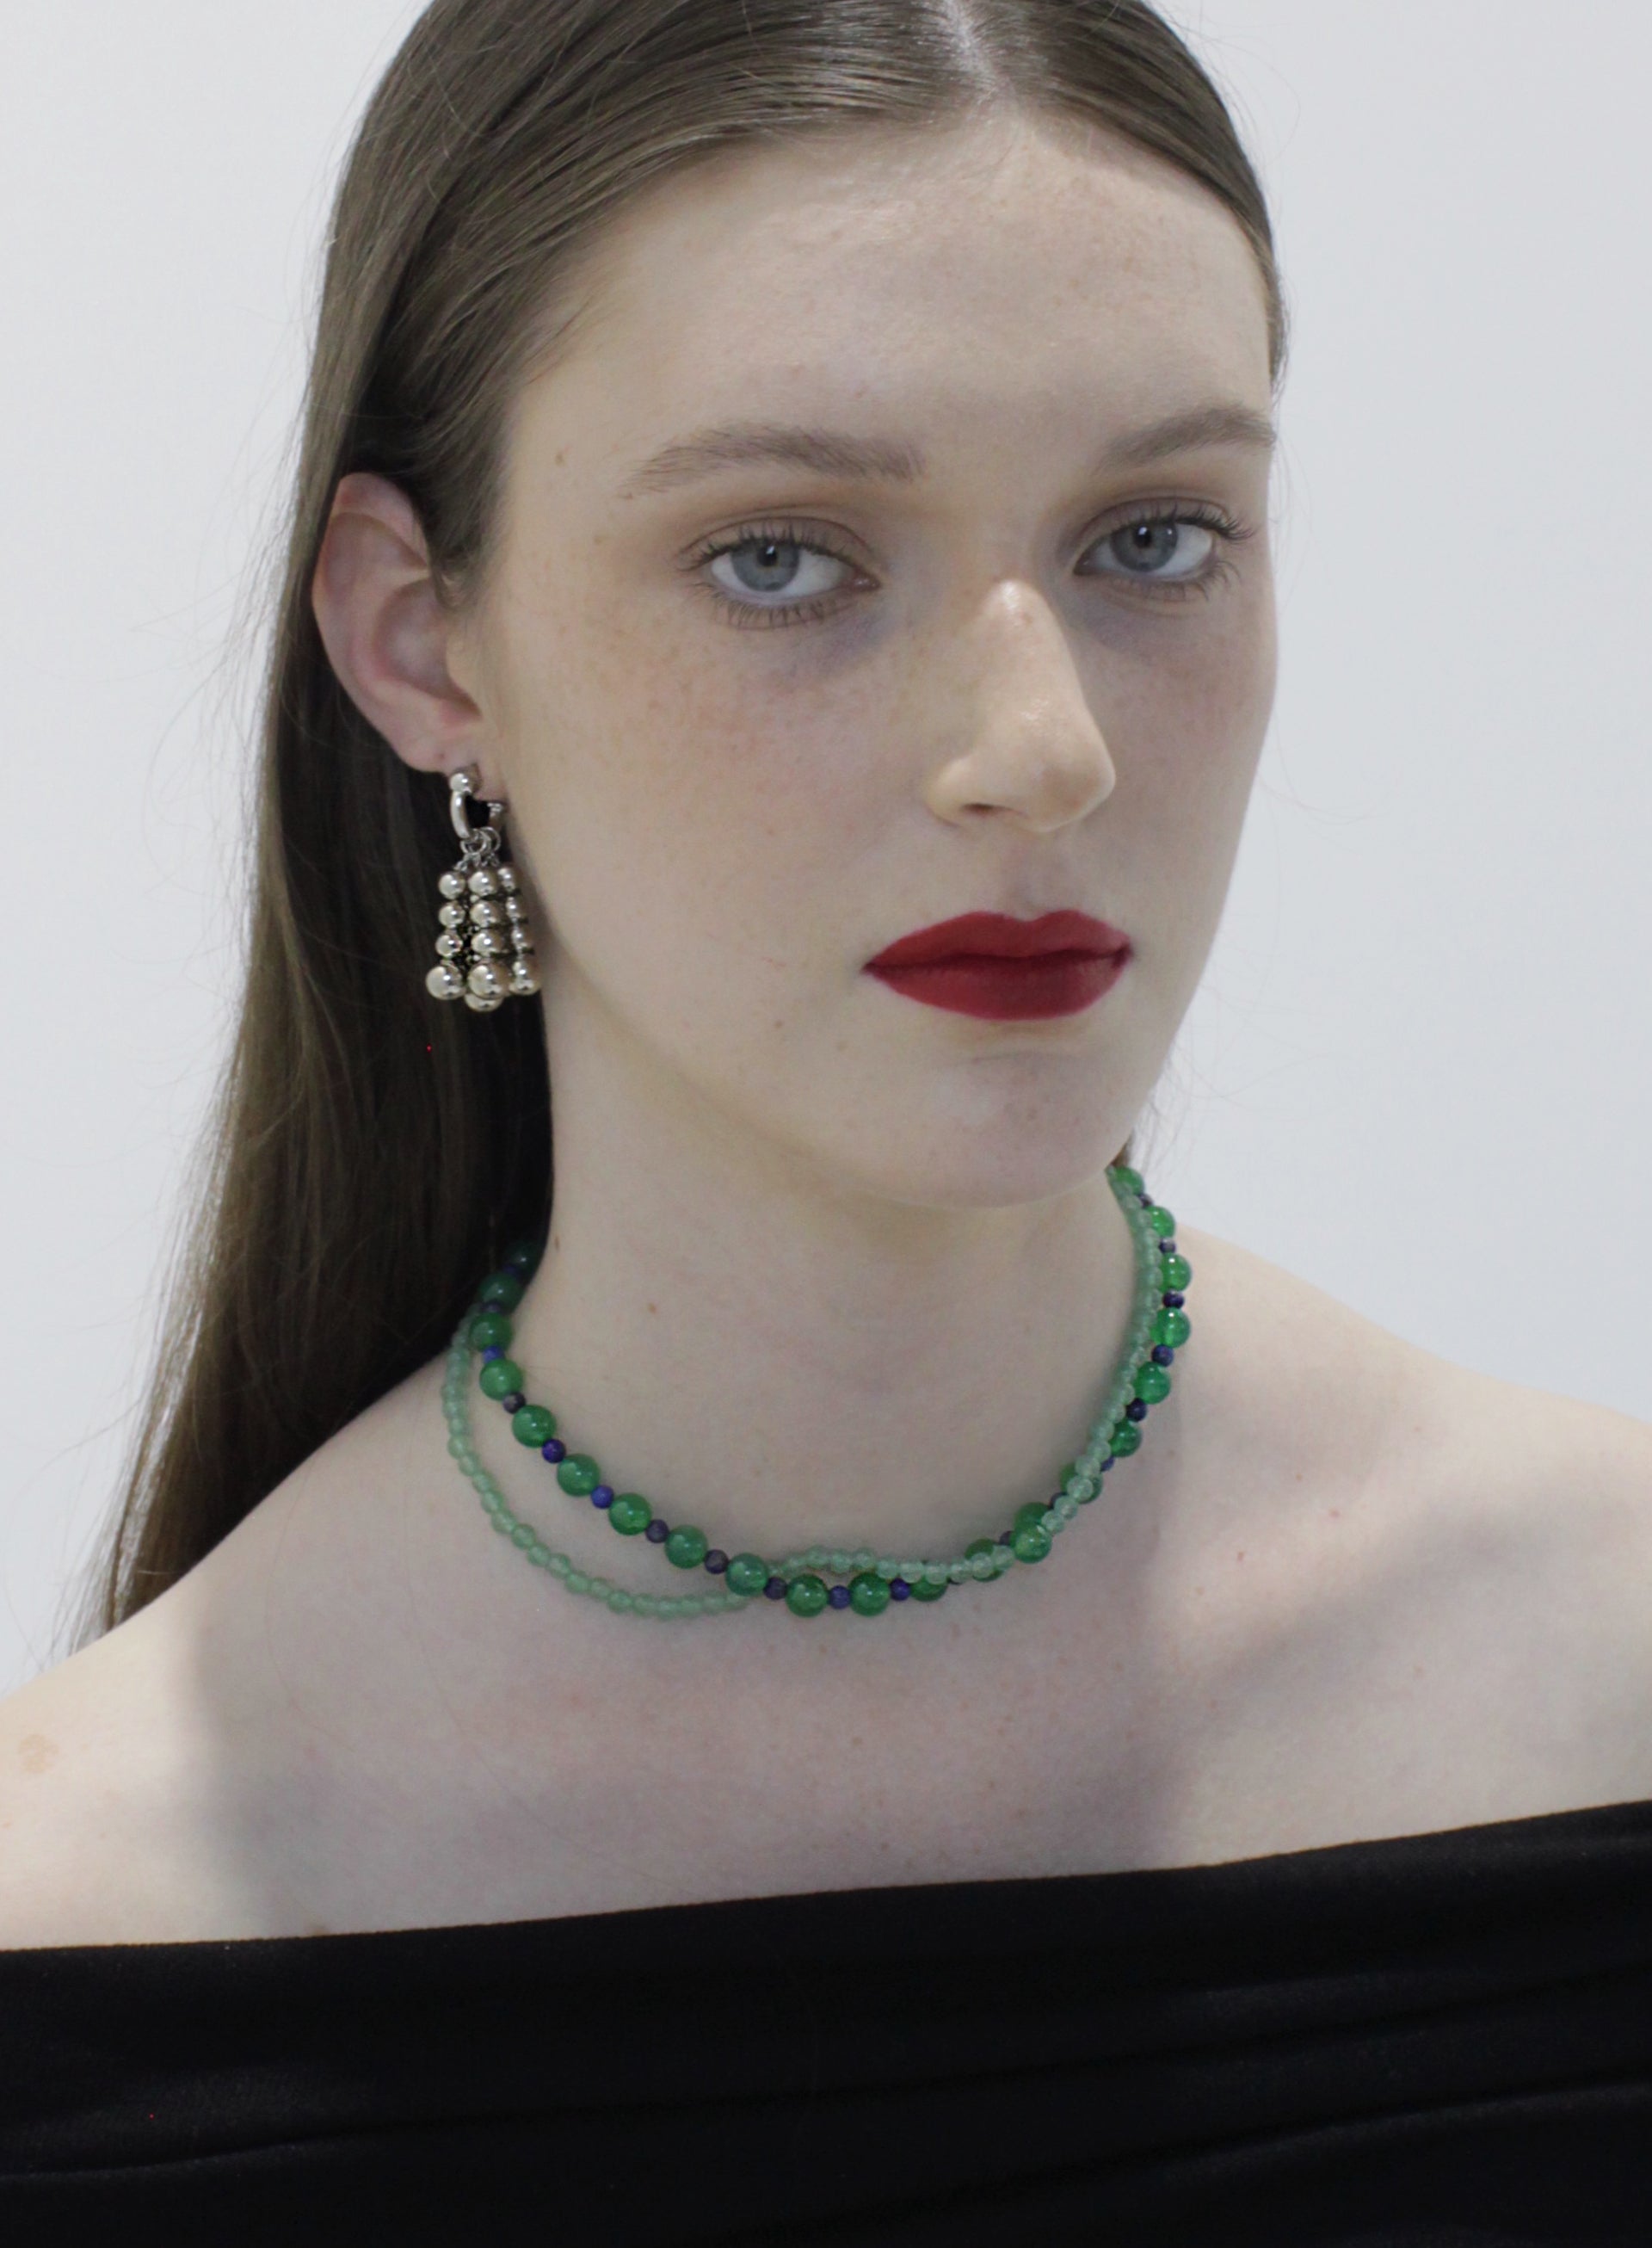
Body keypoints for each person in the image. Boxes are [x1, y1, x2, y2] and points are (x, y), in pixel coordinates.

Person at [3, 1, 1649, 2239]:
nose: (1036, 746)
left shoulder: (1610, 1640)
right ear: (420, 642)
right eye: (785, 557)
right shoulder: (84, 1917)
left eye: (1154, 538)